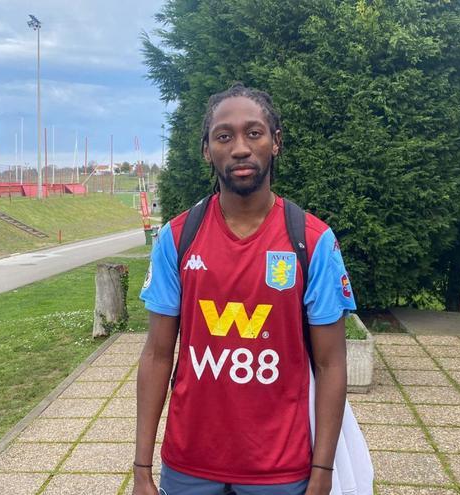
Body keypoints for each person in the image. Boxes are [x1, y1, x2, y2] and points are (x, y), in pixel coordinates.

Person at [134, 83, 357, 495]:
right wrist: (141, 468)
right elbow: (157, 353)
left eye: (254, 133)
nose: (240, 147)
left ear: (276, 143)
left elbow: (331, 364)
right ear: (206, 150)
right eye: (224, 136)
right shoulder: (177, 238)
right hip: (188, 462)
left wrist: (322, 471)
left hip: (282, 467)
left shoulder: (313, 241)